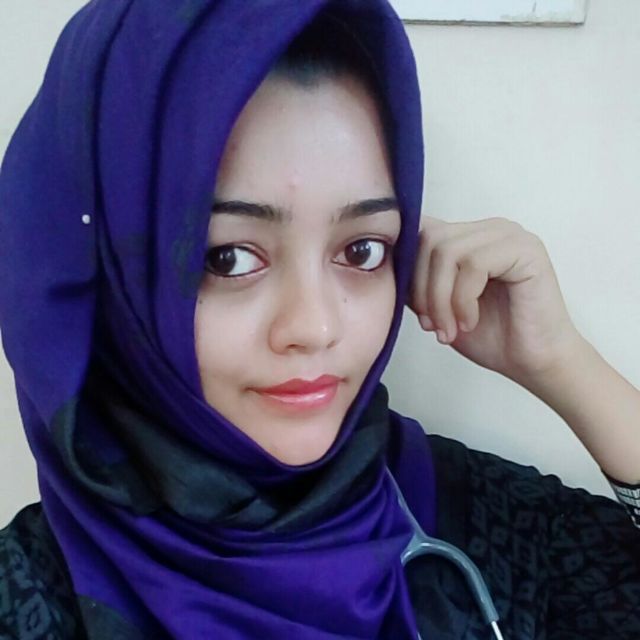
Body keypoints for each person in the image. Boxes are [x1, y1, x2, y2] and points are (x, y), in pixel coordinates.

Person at [0, 1, 638, 639]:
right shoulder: (27, 593)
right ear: (111, 274)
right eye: (228, 257)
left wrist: (561, 361)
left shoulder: (480, 524)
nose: (314, 327)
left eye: (361, 251)